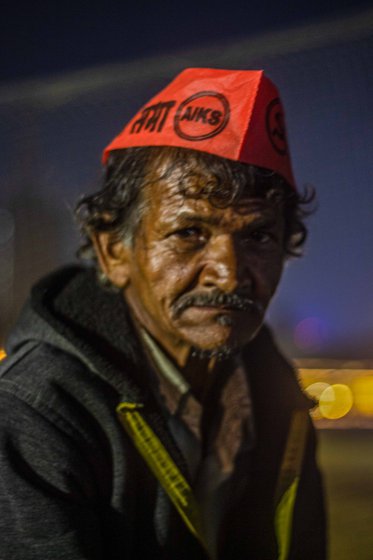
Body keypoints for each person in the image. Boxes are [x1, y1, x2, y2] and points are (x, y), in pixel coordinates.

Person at [0, 68, 326, 559]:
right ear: (113, 253)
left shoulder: (276, 394)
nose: (229, 273)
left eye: (257, 236)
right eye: (189, 233)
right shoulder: (36, 413)